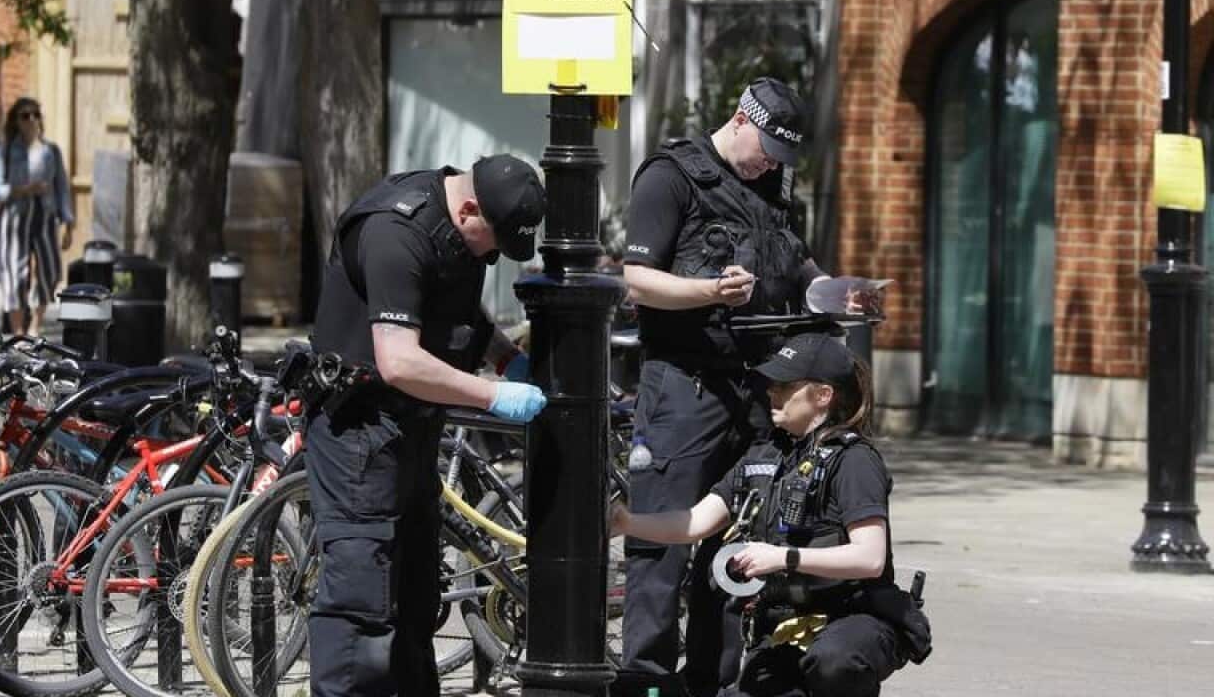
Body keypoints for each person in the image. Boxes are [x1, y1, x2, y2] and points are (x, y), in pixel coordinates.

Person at [617, 77, 838, 697]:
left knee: (738, 542)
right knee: (661, 543)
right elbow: (637, 280)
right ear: (741, 118)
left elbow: (800, 265)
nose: (771, 163)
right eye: (766, 147)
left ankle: (712, 683)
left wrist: (838, 294)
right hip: (682, 386)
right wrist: (710, 291)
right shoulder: (671, 175)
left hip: (754, 387)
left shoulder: (774, 185)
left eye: (782, 155)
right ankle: (647, 681)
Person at [305, 154, 548, 696]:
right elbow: (399, 361)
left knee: (416, 601)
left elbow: (455, 313)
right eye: (493, 241)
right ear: (467, 211)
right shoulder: (397, 233)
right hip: (359, 436)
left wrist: (507, 358)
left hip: (411, 433)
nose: (491, 255)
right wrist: (492, 395)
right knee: (361, 609)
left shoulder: (455, 230)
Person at [612, 332, 931, 697]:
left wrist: (783, 557)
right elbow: (695, 522)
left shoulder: (855, 460)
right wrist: (626, 522)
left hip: (855, 619)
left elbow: (869, 558)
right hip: (785, 624)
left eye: (785, 385)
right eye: (772, 383)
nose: (771, 392)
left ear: (822, 396)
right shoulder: (764, 456)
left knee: (834, 664)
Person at [0, 97, 74, 336]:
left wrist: (68, 223)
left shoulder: (50, 152)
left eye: (35, 114)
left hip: (45, 216)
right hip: (15, 217)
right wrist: (21, 190)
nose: (32, 120)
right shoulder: (5, 152)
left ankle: (35, 326)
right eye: (25, 116)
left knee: (50, 270)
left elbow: (62, 188)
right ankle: (17, 331)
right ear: (16, 120)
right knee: (14, 272)